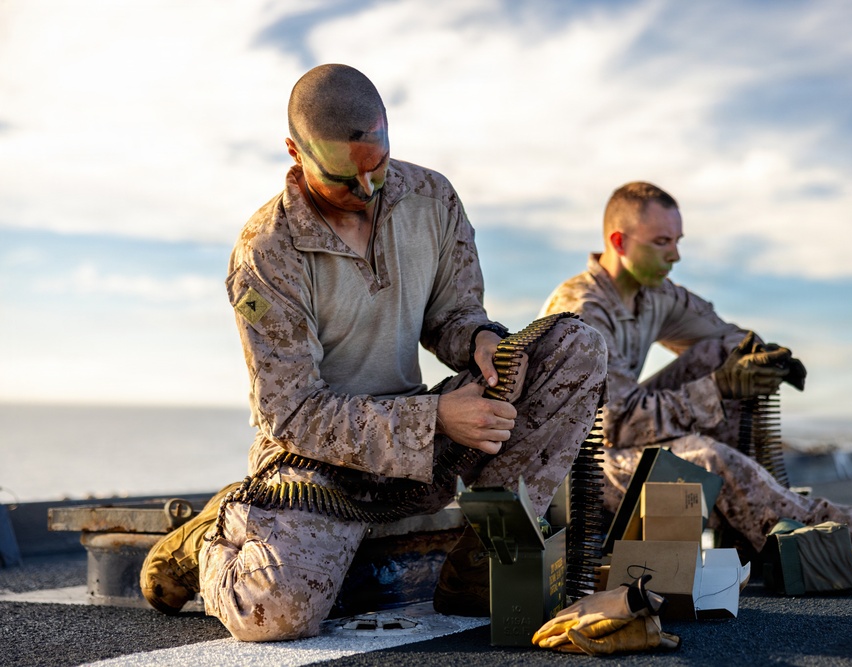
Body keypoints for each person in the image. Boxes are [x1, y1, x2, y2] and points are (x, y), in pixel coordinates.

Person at [140, 64, 607, 641]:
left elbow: (454, 315)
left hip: (424, 449)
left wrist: (481, 340)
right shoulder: (266, 252)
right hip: (316, 467)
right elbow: (292, 413)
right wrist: (436, 417)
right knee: (275, 612)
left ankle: (485, 560)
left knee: (574, 346)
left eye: (377, 168)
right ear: (295, 152)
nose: (365, 191)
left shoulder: (432, 198)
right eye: (343, 178)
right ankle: (209, 539)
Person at [540, 181, 852, 583]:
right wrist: (718, 388)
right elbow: (613, 425)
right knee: (701, 460)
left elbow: (726, 341)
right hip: (573, 470)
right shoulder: (584, 308)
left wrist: (763, 358)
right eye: (662, 242)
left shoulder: (653, 296)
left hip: (613, 447)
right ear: (619, 242)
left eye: (678, 241)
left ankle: (752, 529)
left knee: (722, 355)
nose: (676, 255)